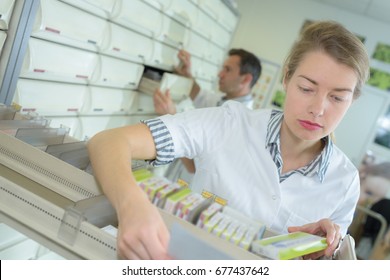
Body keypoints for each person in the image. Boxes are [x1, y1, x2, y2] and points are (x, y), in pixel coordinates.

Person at [87, 20, 370, 260]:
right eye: (307, 88)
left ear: (352, 101)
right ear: (286, 79)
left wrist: (316, 255)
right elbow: (109, 142)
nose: (318, 109)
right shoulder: (228, 123)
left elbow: (329, 257)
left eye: (337, 98)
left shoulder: (344, 182)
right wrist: (132, 205)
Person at [154, 48, 262, 174]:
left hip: (191, 185)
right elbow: (199, 95)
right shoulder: (224, 100)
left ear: (245, 79)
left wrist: (171, 119)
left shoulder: (240, 123)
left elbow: (195, 167)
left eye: (227, 70)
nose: (219, 74)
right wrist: (187, 74)